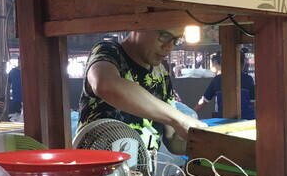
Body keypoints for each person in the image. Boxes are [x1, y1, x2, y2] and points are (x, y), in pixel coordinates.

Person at [78, 29, 206, 155]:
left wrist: (210, 142)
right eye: (165, 35)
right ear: (139, 26)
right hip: (97, 172)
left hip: (144, 173)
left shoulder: (161, 73)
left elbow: (172, 139)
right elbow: (105, 84)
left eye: (176, 40)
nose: (169, 47)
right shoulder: (108, 51)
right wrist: (179, 118)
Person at [193, 51, 256, 119]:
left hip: (226, 120)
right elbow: (252, 102)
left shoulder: (217, 80)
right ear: (243, 64)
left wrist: (192, 114)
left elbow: (204, 100)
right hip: (247, 119)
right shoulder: (248, 79)